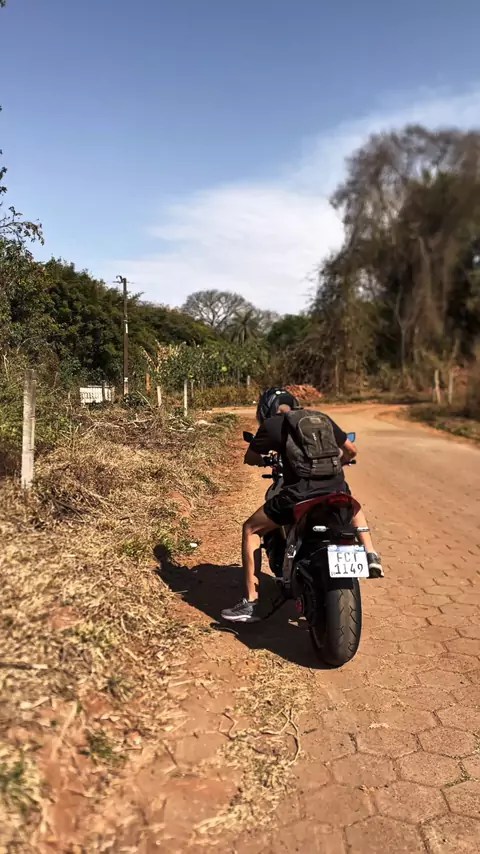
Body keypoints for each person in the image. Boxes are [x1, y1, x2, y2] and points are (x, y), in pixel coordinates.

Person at [221, 389, 383, 623]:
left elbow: (250, 458)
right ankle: (370, 553)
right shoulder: (321, 418)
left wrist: (266, 460)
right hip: (336, 489)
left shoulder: (273, 425)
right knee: (350, 503)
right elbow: (351, 450)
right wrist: (338, 464)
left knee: (251, 529)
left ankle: (250, 602)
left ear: (265, 410)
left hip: (299, 495)